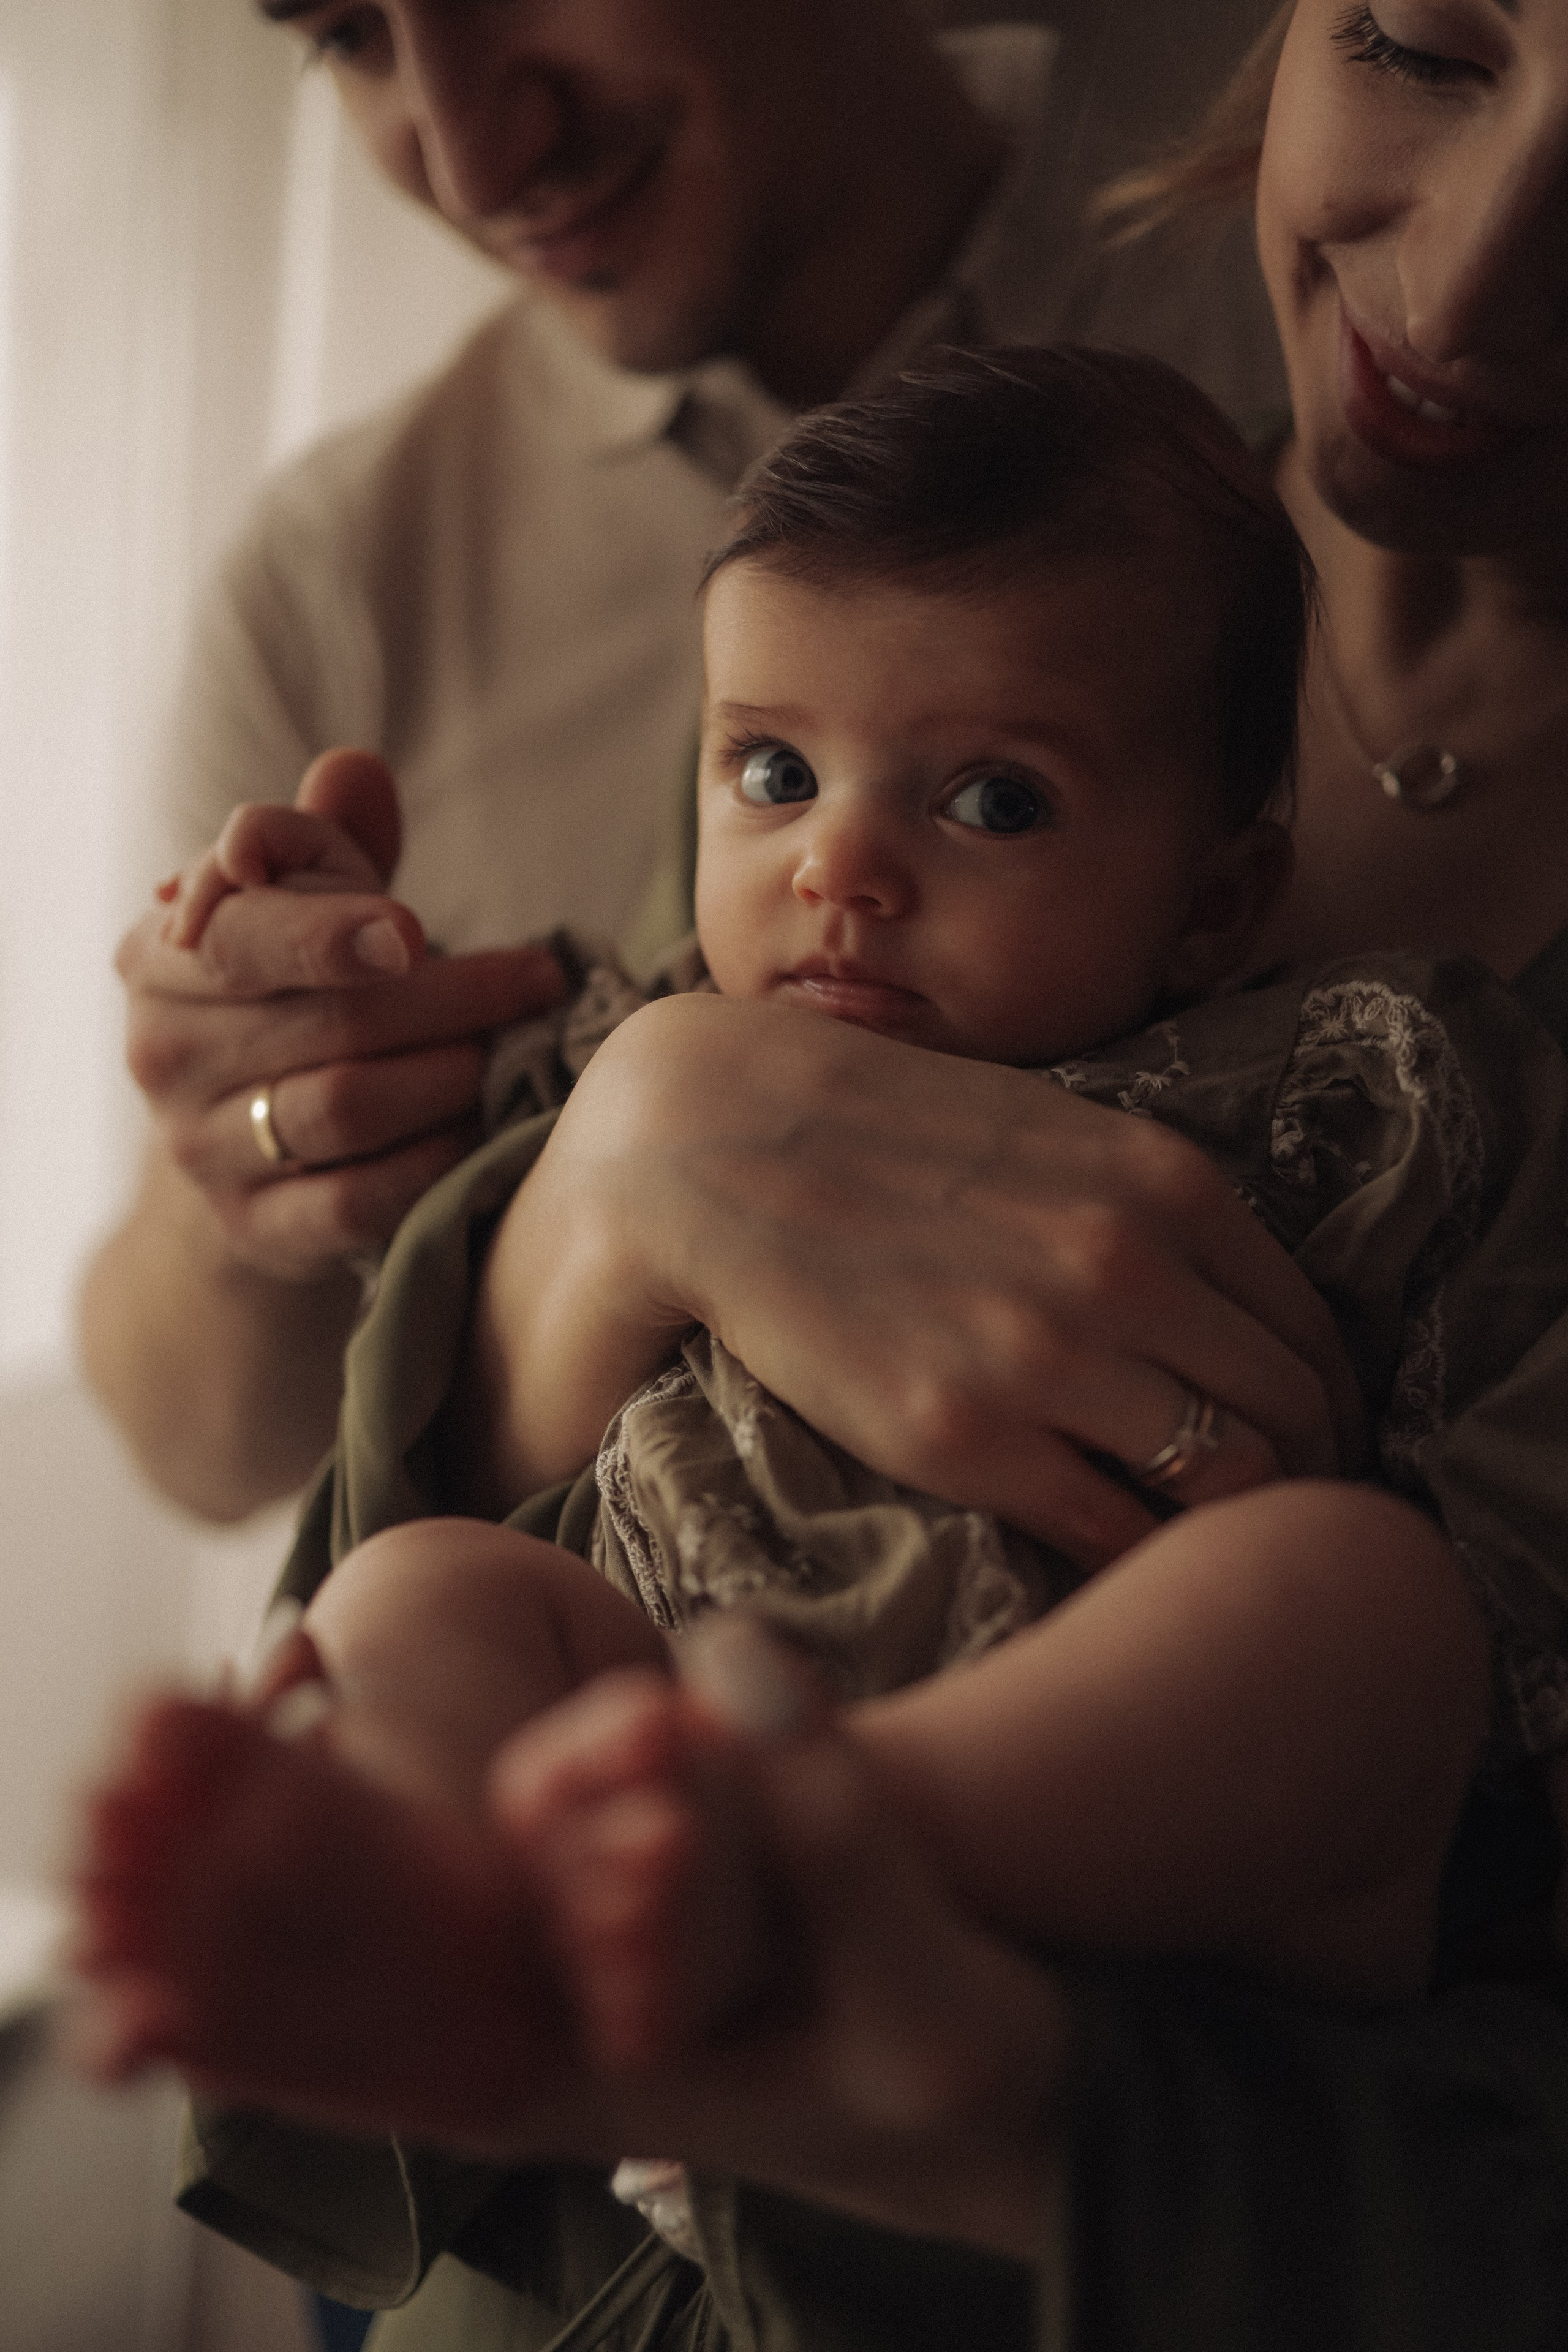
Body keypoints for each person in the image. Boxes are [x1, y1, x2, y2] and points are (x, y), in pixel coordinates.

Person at [71, 350, 1568, 2334]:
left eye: (993, 799)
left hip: (1120, 1826)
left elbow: (1510, 1518)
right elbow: (415, 1191)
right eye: (771, 770)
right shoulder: (638, 1030)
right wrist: (314, 958)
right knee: (432, 1588)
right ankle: (454, 1902)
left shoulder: (1366, 1070)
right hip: (649, 1726)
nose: (835, 870)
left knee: (1364, 1591)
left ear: (1217, 901)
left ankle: (832, 1843)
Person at [78, 0, 1287, 1525]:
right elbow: (200, 1455)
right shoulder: (334, 573)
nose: (467, 153)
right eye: (347, 33)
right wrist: (248, 1183)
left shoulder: (1349, 314)